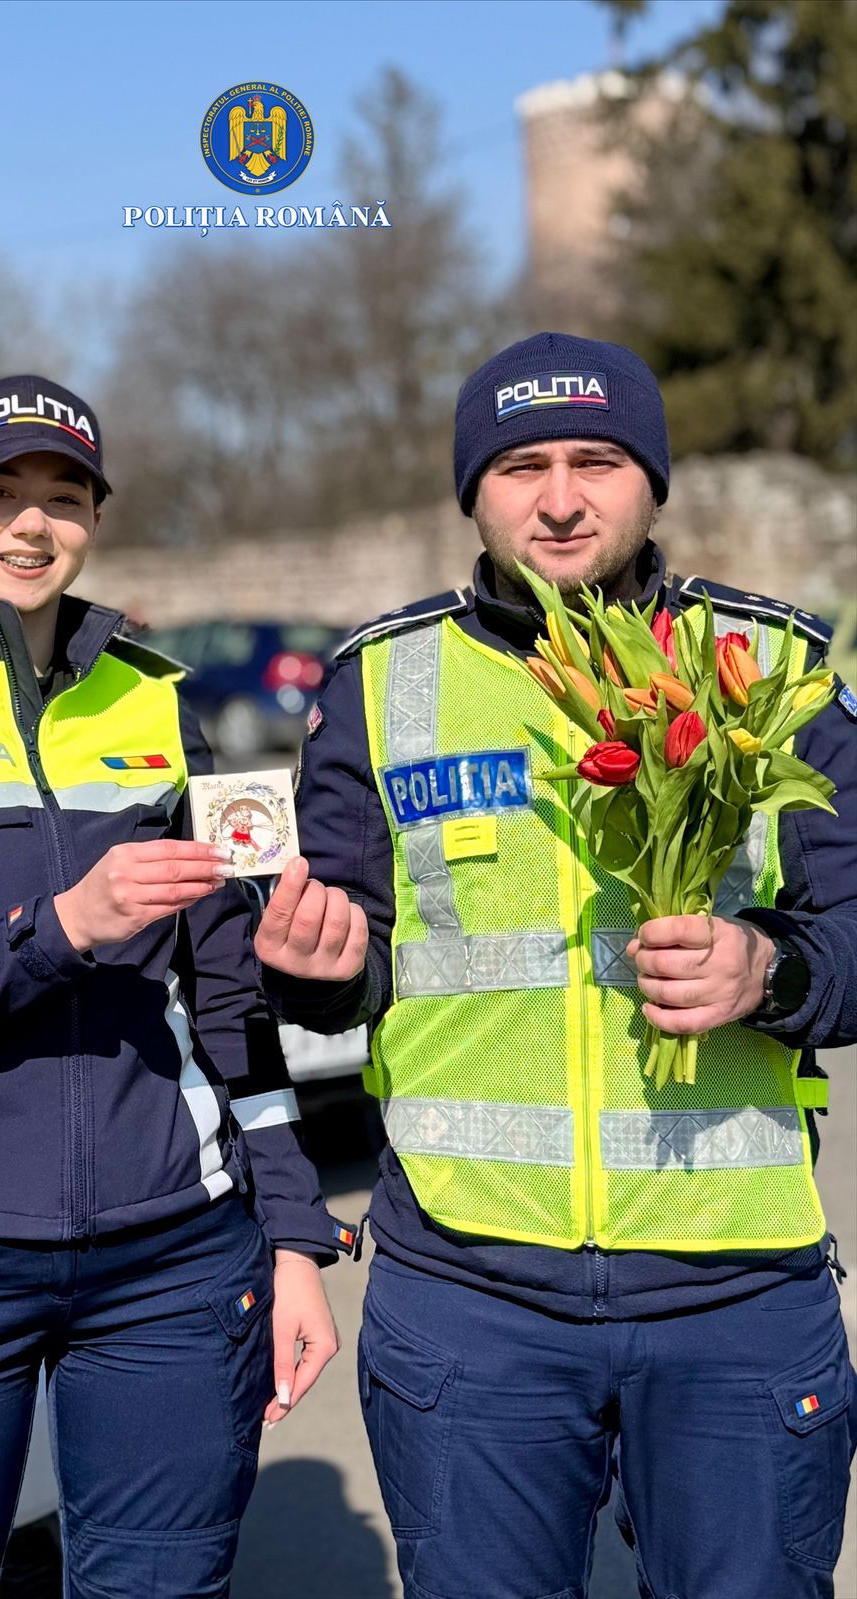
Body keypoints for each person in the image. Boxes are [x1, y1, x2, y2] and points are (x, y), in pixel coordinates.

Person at [256, 333, 857, 1599]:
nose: (561, 498)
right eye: (521, 466)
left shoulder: (775, 665)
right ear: (470, 493)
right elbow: (350, 968)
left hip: (733, 1292)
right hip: (468, 1297)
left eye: (597, 461)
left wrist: (769, 972)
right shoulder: (379, 681)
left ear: (652, 482)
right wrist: (313, 974)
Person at [0, 374, 346, 1599]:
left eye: (63, 495)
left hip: (173, 1258)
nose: (29, 523)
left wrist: (295, 1235)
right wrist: (61, 929)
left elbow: (226, 998)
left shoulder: (156, 698)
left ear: (93, 516)